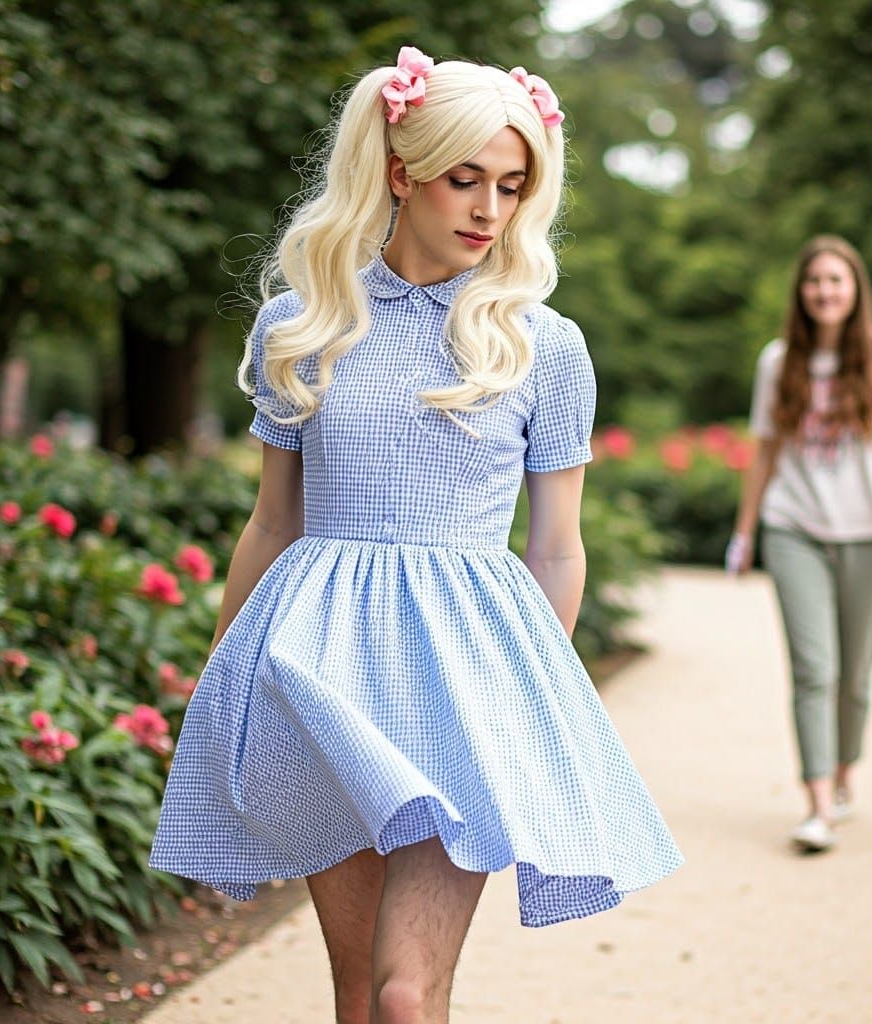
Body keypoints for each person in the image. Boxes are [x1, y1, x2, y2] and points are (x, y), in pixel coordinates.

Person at [150, 47, 682, 1023]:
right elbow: (273, 519)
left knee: (407, 992)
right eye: (464, 179)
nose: (489, 208)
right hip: (319, 682)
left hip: (464, 692)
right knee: (358, 994)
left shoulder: (541, 345)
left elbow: (557, 547)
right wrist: (219, 681)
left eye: (512, 186)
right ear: (401, 173)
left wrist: (529, 702)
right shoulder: (301, 324)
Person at [728, 234, 872, 854]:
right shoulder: (777, 360)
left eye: (836, 280)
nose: (824, 292)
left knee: (856, 678)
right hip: (796, 528)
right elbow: (765, 451)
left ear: (855, 289)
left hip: (869, 530)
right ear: (801, 293)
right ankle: (816, 804)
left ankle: (843, 777)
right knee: (816, 668)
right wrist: (745, 530)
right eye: (814, 282)